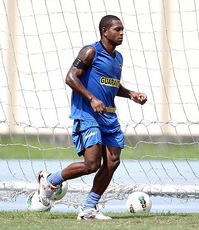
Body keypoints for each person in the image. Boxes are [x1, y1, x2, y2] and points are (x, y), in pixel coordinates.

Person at [37, 15, 147, 220]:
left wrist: (130, 93)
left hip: (109, 117)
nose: (121, 33)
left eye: (123, 29)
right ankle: (51, 181)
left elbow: (112, 85)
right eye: (117, 29)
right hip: (88, 115)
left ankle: (89, 209)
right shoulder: (90, 51)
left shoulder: (119, 58)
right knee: (91, 164)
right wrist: (92, 98)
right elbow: (70, 77)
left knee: (113, 162)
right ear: (105, 31)